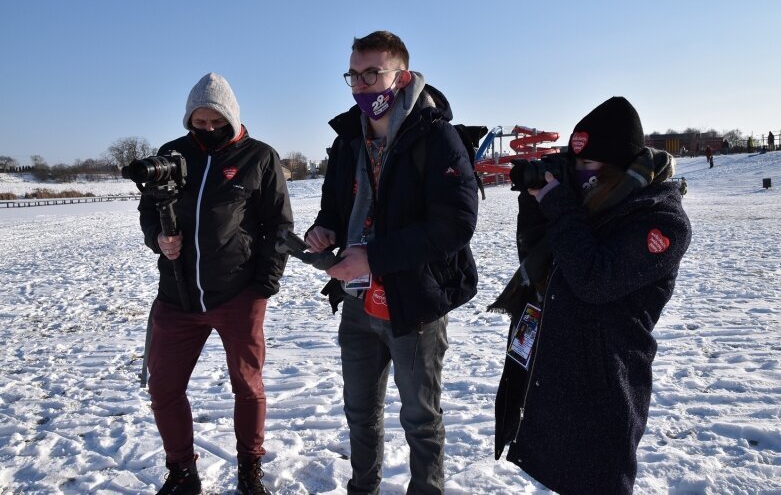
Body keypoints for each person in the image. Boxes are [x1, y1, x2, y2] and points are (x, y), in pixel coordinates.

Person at [305, 31, 478, 495]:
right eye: (354, 75)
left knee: (420, 418)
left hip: (413, 304)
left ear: (399, 78)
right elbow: (334, 209)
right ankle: (362, 488)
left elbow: (455, 225)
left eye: (372, 74)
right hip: (358, 304)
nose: (362, 85)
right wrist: (323, 231)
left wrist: (374, 256)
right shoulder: (347, 141)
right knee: (359, 413)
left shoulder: (435, 136)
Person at [491, 96, 691, 494]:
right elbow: (543, 264)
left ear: (618, 166)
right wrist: (536, 201)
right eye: (574, 164)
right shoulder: (588, 205)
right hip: (561, 377)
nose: (579, 174)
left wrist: (559, 205)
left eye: (588, 165)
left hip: (605, 391)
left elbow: (593, 279)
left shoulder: (660, 220)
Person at [137, 72, 293, 495]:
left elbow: (278, 227)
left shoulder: (259, 157)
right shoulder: (172, 154)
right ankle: (183, 473)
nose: (206, 131)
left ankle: (250, 468)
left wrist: (263, 286)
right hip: (176, 294)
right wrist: (158, 238)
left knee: (247, 384)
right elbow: (148, 212)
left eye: (214, 122)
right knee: (164, 387)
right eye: (198, 123)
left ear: (231, 117)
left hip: (237, 294)